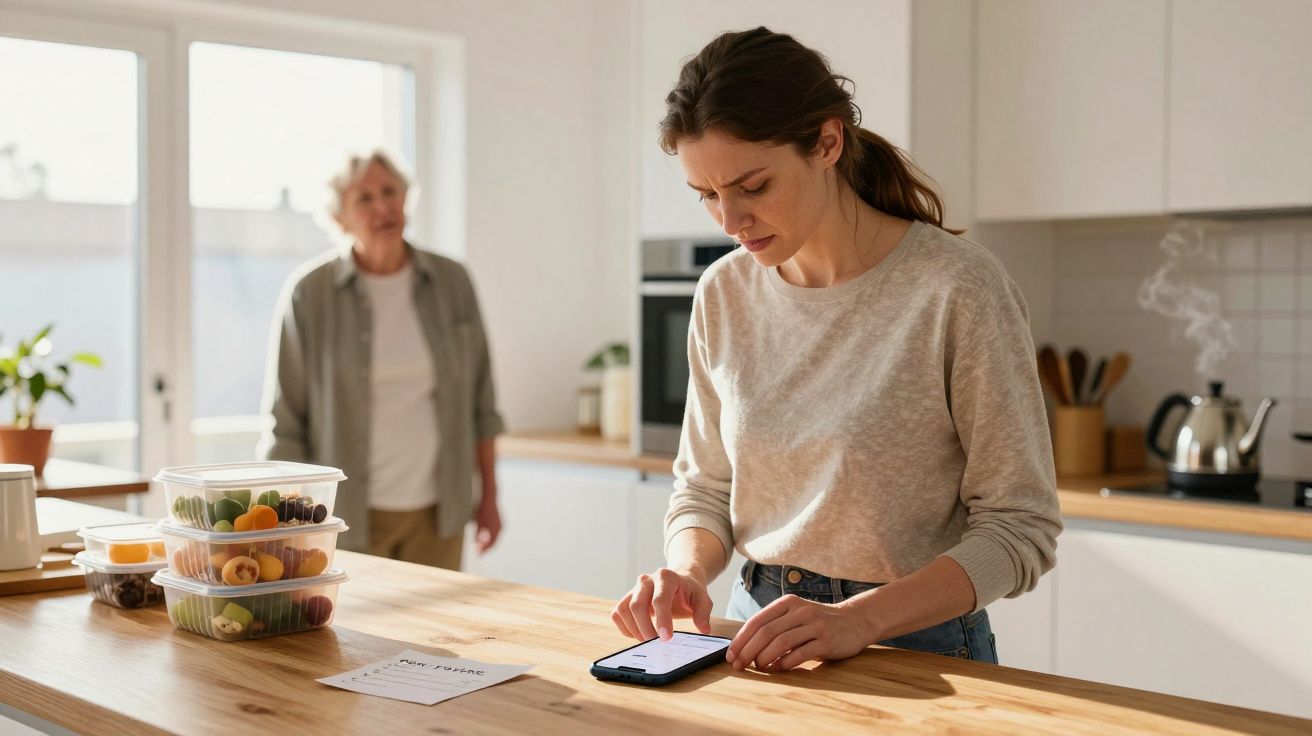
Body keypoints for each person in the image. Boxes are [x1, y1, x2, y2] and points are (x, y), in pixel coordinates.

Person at [610, 27, 1062, 670]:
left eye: (753, 186)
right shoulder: (724, 292)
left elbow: (1021, 529)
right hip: (753, 634)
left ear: (827, 142)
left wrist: (860, 619)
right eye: (707, 195)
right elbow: (706, 487)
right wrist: (686, 569)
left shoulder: (957, 288)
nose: (729, 222)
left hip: (917, 646)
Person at [259, 149, 505, 570]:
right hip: (342, 516)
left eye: (390, 192)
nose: (383, 207)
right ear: (340, 217)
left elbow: (482, 404)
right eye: (364, 199)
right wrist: (288, 518)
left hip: (440, 513)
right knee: (354, 634)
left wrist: (490, 500)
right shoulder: (309, 294)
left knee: (437, 634)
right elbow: (286, 422)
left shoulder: (452, 282)